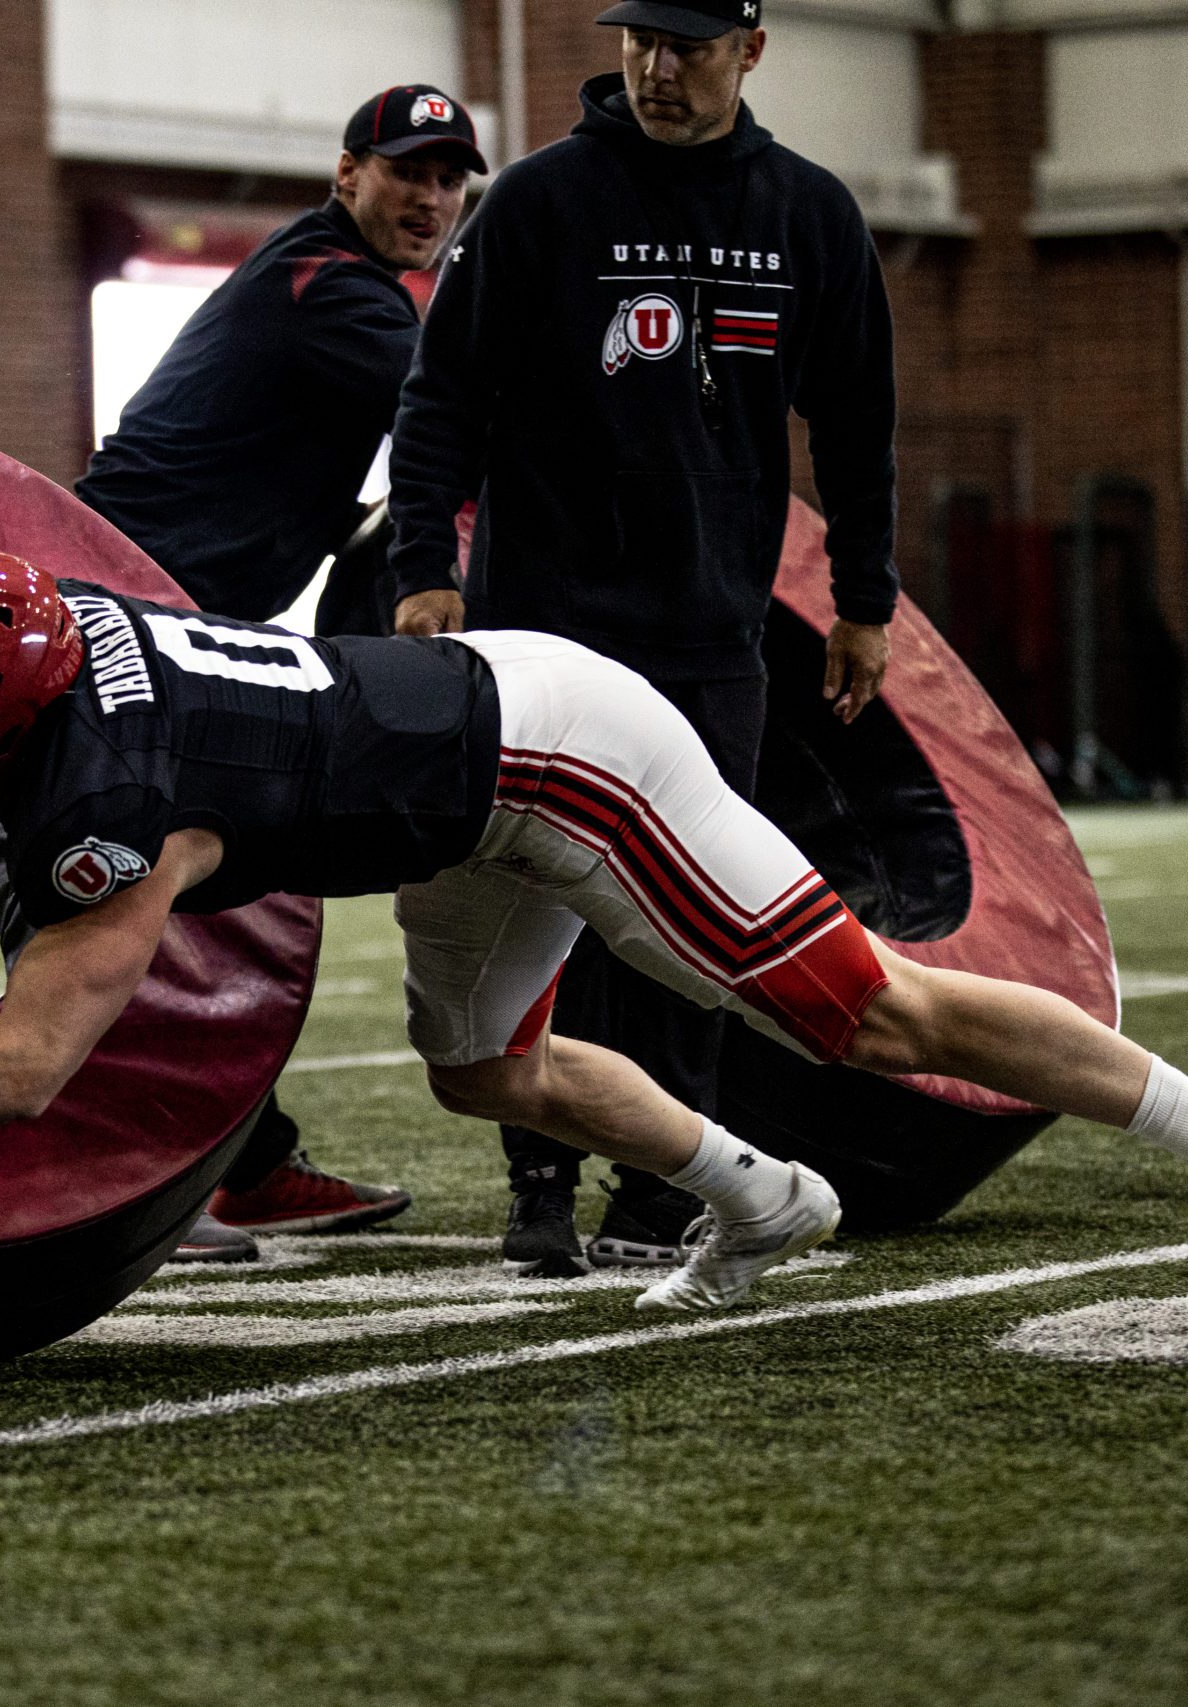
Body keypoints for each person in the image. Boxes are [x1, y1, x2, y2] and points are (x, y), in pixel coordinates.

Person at [0, 551, 1188, 1321]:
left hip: (558, 758)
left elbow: (28, 1065)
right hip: (443, 779)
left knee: (868, 1018)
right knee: (480, 1074)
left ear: (6, 719)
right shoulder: (50, 632)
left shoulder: (122, 805)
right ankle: (764, 1197)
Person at [382, 0, 901, 1277]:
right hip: (543, 635)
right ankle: (538, 1183)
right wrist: (421, 574)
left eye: (691, 47)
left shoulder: (810, 216)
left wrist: (866, 599)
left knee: (692, 932)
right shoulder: (541, 202)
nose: (659, 70)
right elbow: (440, 393)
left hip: (711, 637)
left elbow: (856, 424)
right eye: (640, 42)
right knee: (527, 909)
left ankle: (660, 1196)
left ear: (751, 51)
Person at [32, 81, 485, 1245]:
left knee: (197, 892)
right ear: (348, 178)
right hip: (126, 612)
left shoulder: (334, 280)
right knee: (146, 896)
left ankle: (245, 1163)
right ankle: (140, 1173)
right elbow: (457, 410)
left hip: (171, 611)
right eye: (407, 173)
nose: (430, 198)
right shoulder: (331, 288)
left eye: (449, 180)